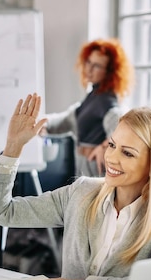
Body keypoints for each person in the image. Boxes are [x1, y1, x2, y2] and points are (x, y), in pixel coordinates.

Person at [0, 94, 151, 280]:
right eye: (111, 145)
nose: (111, 158)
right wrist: (13, 148)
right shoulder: (81, 193)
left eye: (127, 153)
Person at [43, 38, 133, 177]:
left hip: (96, 174)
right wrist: (41, 123)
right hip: (84, 171)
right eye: (88, 62)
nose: (89, 69)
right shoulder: (94, 95)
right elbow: (68, 119)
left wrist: (104, 147)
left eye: (96, 66)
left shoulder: (107, 102)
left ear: (110, 72)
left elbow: (123, 137)